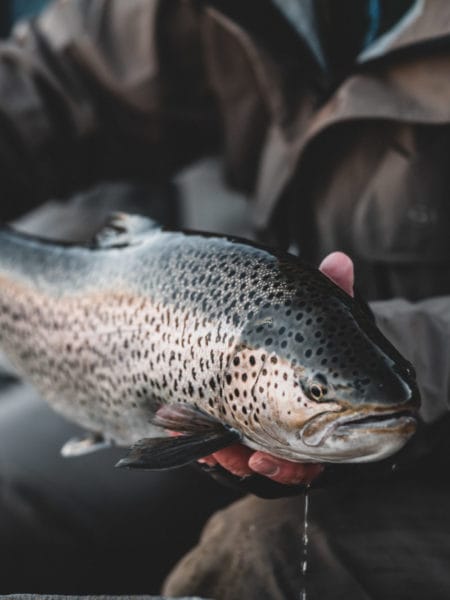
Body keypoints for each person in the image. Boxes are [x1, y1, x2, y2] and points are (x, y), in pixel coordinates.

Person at [0, 0, 448, 597]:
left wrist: (382, 366)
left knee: (262, 559)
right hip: (251, 396)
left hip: (414, 437)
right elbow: (59, 79)